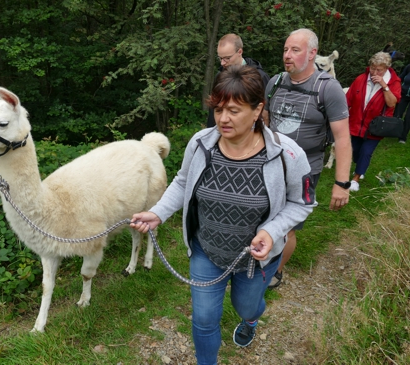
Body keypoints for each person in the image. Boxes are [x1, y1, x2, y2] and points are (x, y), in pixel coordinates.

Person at [130, 65, 316, 365]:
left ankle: (252, 319)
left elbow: (303, 203)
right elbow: (183, 182)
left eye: (233, 110)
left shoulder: (288, 155)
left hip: (255, 260)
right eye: (218, 110)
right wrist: (157, 213)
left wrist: (270, 232)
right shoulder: (201, 143)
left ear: (258, 110)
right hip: (207, 251)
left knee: (247, 308)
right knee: (203, 319)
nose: (223, 119)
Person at [262, 28, 352, 289]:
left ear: (313, 54)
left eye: (295, 50)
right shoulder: (276, 82)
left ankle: (275, 271)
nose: (287, 55)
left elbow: (343, 139)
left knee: (287, 227)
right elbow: (266, 121)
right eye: (285, 50)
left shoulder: (329, 89)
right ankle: (259, 258)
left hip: (304, 172)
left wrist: (341, 183)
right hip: (270, 165)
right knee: (265, 218)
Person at [346, 52, 401, 191]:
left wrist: (384, 86)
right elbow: (348, 98)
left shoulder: (394, 82)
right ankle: (361, 166)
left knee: (366, 151)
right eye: (372, 68)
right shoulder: (361, 79)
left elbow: (392, 103)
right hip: (356, 123)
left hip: (376, 126)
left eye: (379, 70)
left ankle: (356, 178)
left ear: (387, 69)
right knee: (356, 150)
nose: (374, 72)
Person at [207, 33, 270, 127]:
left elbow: (265, 113)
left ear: (240, 52)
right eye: (220, 58)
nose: (222, 63)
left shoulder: (260, 77)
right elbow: (214, 110)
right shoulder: (220, 76)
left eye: (227, 58)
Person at [394, 62, 410, 144]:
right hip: (403, 94)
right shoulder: (408, 67)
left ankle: (403, 137)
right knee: (398, 114)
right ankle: (394, 131)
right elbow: (400, 78)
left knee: (408, 117)